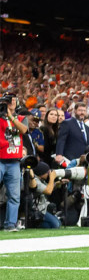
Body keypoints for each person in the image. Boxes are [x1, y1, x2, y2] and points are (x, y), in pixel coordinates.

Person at [0, 99, 30, 231]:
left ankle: (10, 224)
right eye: (7, 100)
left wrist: (10, 116)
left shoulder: (22, 118)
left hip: (14, 161)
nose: (10, 102)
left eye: (12, 100)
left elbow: (23, 130)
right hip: (0, 159)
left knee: (14, 196)